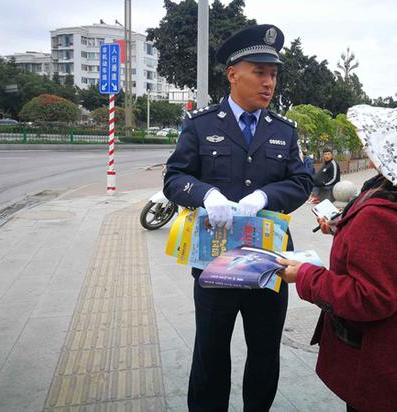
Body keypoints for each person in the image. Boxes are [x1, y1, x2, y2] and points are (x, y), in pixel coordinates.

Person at [163, 24, 313, 412]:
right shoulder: (201, 125)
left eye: (274, 74)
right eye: (260, 72)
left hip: (269, 263)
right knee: (210, 353)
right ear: (233, 74)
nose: (269, 83)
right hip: (215, 262)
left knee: (265, 354)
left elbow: (300, 181)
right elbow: (174, 177)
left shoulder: (284, 131)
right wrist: (205, 193)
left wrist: (266, 194)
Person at [278, 98, 397, 412]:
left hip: (375, 361)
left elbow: (369, 298)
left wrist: (305, 276)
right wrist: (343, 229)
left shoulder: (383, 215)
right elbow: (395, 253)